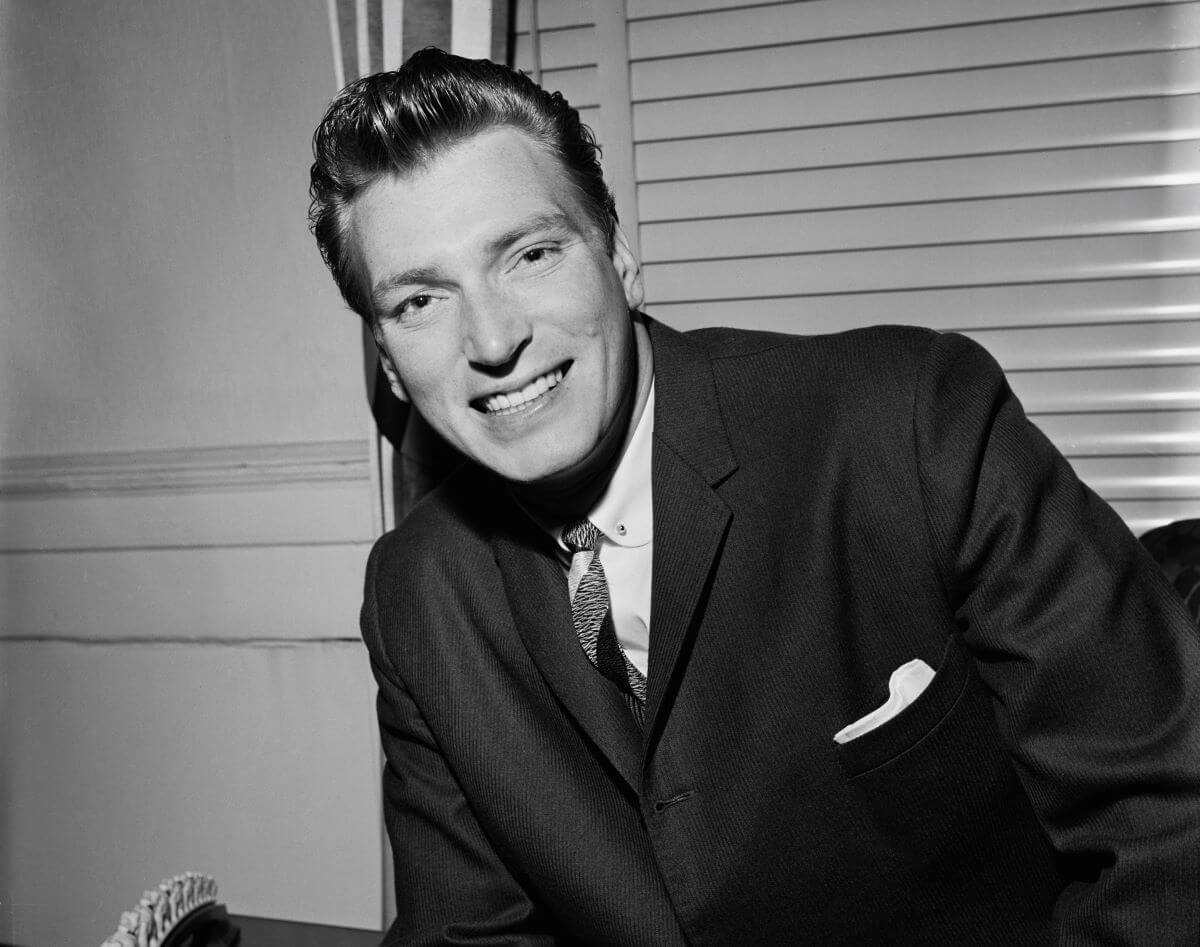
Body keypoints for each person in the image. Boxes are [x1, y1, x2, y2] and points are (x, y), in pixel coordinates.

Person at [309, 48, 1200, 945]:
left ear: (617, 256)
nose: (494, 338)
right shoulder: (414, 591)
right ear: (387, 356)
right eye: (421, 301)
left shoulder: (910, 425)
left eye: (532, 253)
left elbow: (1169, 824)